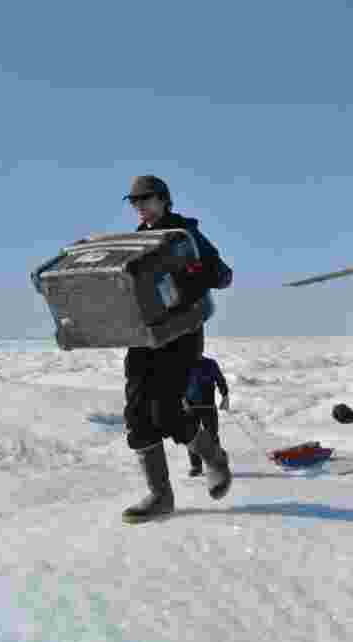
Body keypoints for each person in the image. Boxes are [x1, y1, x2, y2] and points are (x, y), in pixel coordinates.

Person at [121, 175, 234, 523]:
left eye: (146, 198)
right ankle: (160, 496)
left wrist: (192, 275)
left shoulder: (184, 234)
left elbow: (222, 274)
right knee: (137, 416)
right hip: (143, 337)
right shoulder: (134, 242)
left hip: (180, 335)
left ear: (164, 199)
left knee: (166, 413)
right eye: (134, 200)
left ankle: (213, 457)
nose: (140, 205)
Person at [182, 353, 230, 477]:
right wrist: (182, 401)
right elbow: (177, 385)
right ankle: (196, 466)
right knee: (191, 437)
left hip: (208, 407)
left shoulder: (210, 363)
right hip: (190, 407)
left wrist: (225, 396)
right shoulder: (183, 365)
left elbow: (220, 380)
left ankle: (217, 464)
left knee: (212, 436)